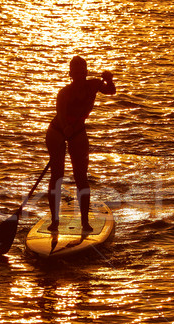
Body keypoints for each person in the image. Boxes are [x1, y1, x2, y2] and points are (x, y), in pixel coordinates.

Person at [46, 56, 116, 232]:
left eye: (81, 71)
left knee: (81, 177)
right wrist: (66, 128)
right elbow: (60, 116)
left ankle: (85, 222)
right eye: (74, 72)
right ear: (70, 74)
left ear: (85, 72)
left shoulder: (93, 85)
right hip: (57, 132)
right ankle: (55, 221)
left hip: (77, 133)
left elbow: (111, 91)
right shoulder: (63, 93)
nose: (78, 75)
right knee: (57, 175)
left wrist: (109, 79)